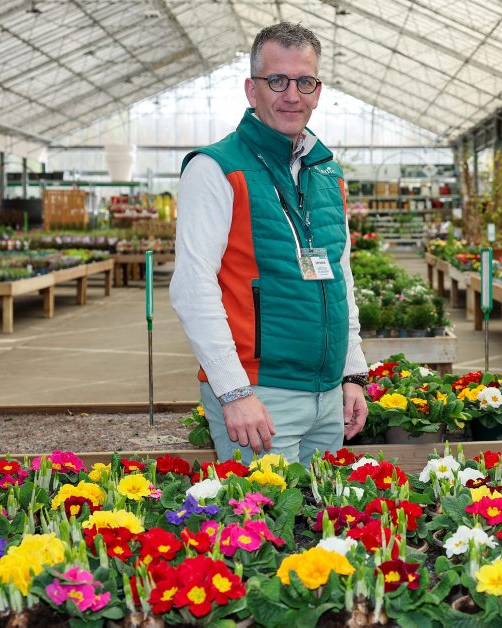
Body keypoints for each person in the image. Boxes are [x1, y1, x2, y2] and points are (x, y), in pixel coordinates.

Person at [169, 22, 368, 467]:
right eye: (277, 80)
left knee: (323, 510)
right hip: (259, 397)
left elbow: (340, 276)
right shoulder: (216, 169)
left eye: (305, 82)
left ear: (318, 91)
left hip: (327, 396)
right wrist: (233, 391)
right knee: (266, 512)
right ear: (251, 88)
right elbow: (192, 287)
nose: (292, 95)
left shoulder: (326, 172)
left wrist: (352, 373)